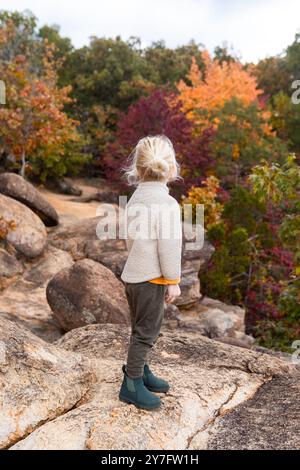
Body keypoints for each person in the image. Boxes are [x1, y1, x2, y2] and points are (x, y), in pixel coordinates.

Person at [119, 135, 182, 410]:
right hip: (151, 279)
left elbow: (129, 239)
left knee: (138, 328)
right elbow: (168, 248)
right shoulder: (167, 205)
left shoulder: (134, 200)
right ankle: (131, 383)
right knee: (146, 332)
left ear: (138, 168)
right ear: (170, 169)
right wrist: (173, 281)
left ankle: (141, 372)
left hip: (133, 277)